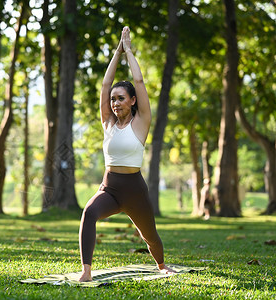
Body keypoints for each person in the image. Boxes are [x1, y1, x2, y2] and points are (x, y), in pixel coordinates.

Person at [78, 26, 176, 282]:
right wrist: (116, 52)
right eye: (113, 100)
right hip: (109, 189)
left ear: (132, 101)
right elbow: (105, 83)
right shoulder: (108, 123)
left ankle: (162, 264)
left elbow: (140, 82)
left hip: (134, 189)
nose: (115, 103)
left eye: (121, 98)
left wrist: (129, 51)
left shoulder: (141, 122)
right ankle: (86, 271)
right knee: (89, 213)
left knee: (149, 235)